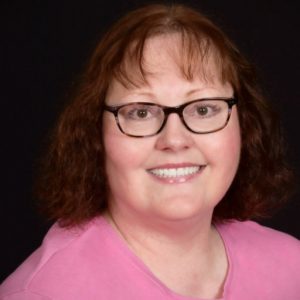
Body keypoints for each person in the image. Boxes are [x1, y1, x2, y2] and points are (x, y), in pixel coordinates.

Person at [1, 3, 299, 300]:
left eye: (204, 109)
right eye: (141, 112)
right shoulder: (41, 294)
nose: (175, 139)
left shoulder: (292, 267)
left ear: (245, 125)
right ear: (94, 134)